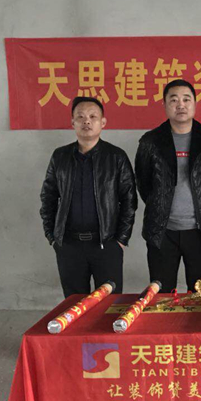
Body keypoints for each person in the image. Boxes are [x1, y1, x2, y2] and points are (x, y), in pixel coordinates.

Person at [40, 96, 137, 297]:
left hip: (107, 243)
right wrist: (52, 236)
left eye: (93, 117)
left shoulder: (116, 157)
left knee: (109, 304)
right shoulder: (60, 156)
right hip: (69, 245)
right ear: (72, 122)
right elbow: (48, 197)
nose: (87, 121)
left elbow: (129, 200)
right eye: (81, 117)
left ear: (103, 122)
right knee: (74, 304)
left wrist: (120, 240)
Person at [134, 79, 201, 292]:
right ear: (165, 105)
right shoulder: (150, 142)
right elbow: (144, 183)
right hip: (162, 231)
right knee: (161, 296)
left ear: (195, 104)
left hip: (200, 231)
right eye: (174, 100)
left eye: (186, 99)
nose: (180, 105)